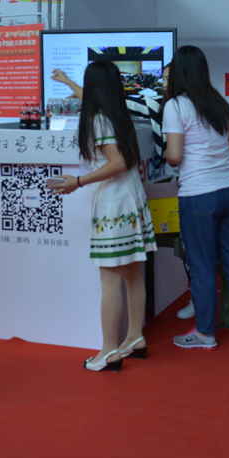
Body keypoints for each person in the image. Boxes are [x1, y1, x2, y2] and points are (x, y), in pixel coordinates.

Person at [51, 60, 156, 372]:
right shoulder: (117, 112)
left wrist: (78, 181)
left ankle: (110, 350)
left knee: (109, 279)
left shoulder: (98, 120)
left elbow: (118, 162)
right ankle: (135, 337)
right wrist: (68, 82)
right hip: (132, 199)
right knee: (133, 273)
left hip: (114, 204)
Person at [162, 45, 229, 349]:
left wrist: (169, 154)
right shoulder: (219, 102)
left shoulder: (176, 105)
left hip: (198, 194)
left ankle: (205, 334)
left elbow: (174, 156)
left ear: (179, 72)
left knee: (202, 264)